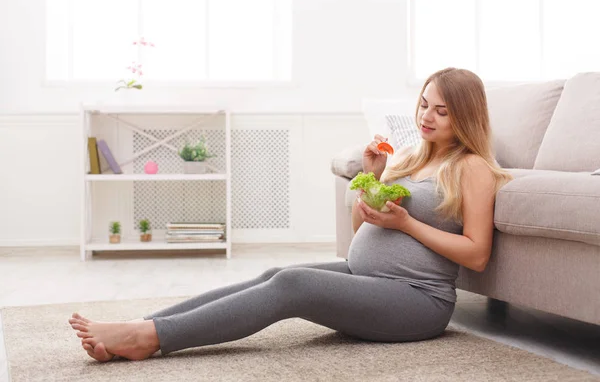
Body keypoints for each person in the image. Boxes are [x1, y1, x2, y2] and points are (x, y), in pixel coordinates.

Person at [69, 67, 513, 362]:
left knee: (291, 285)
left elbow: (475, 255)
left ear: (465, 117)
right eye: (423, 104)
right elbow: (365, 229)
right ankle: (144, 326)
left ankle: (150, 339)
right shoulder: (410, 158)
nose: (427, 117)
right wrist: (374, 186)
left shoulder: (471, 168)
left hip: (418, 301)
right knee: (277, 272)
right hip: (366, 278)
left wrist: (407, 223)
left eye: (442, 111)